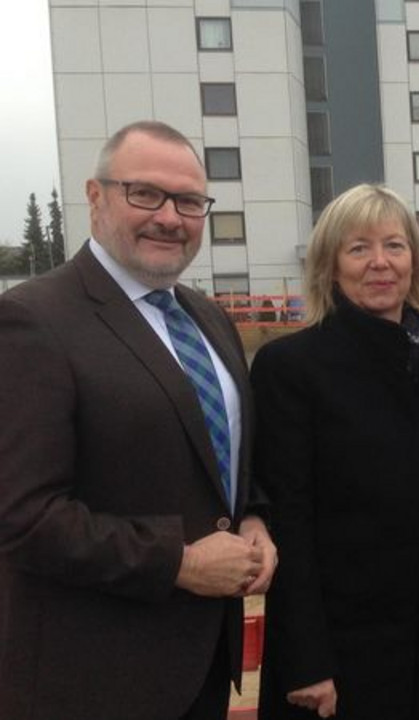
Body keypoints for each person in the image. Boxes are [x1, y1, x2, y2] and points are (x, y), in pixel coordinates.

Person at [0, 120, 276, 720]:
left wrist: (252, 514)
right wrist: (177, 561)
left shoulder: (208, 319)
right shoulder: (31, 322)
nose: (170, 217)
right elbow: (23, 517)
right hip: (92, 681)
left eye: (188, 201)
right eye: (144, 194)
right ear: (96, 197)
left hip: (199, 668)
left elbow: (218, 457)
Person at [251, 184, 419, 720]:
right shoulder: (289, 369)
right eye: (359, 248)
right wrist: (305, 659)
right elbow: (289, 521)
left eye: (395, 245)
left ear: (415, 259)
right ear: (330, 266)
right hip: (337, 652)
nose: (380, 263)